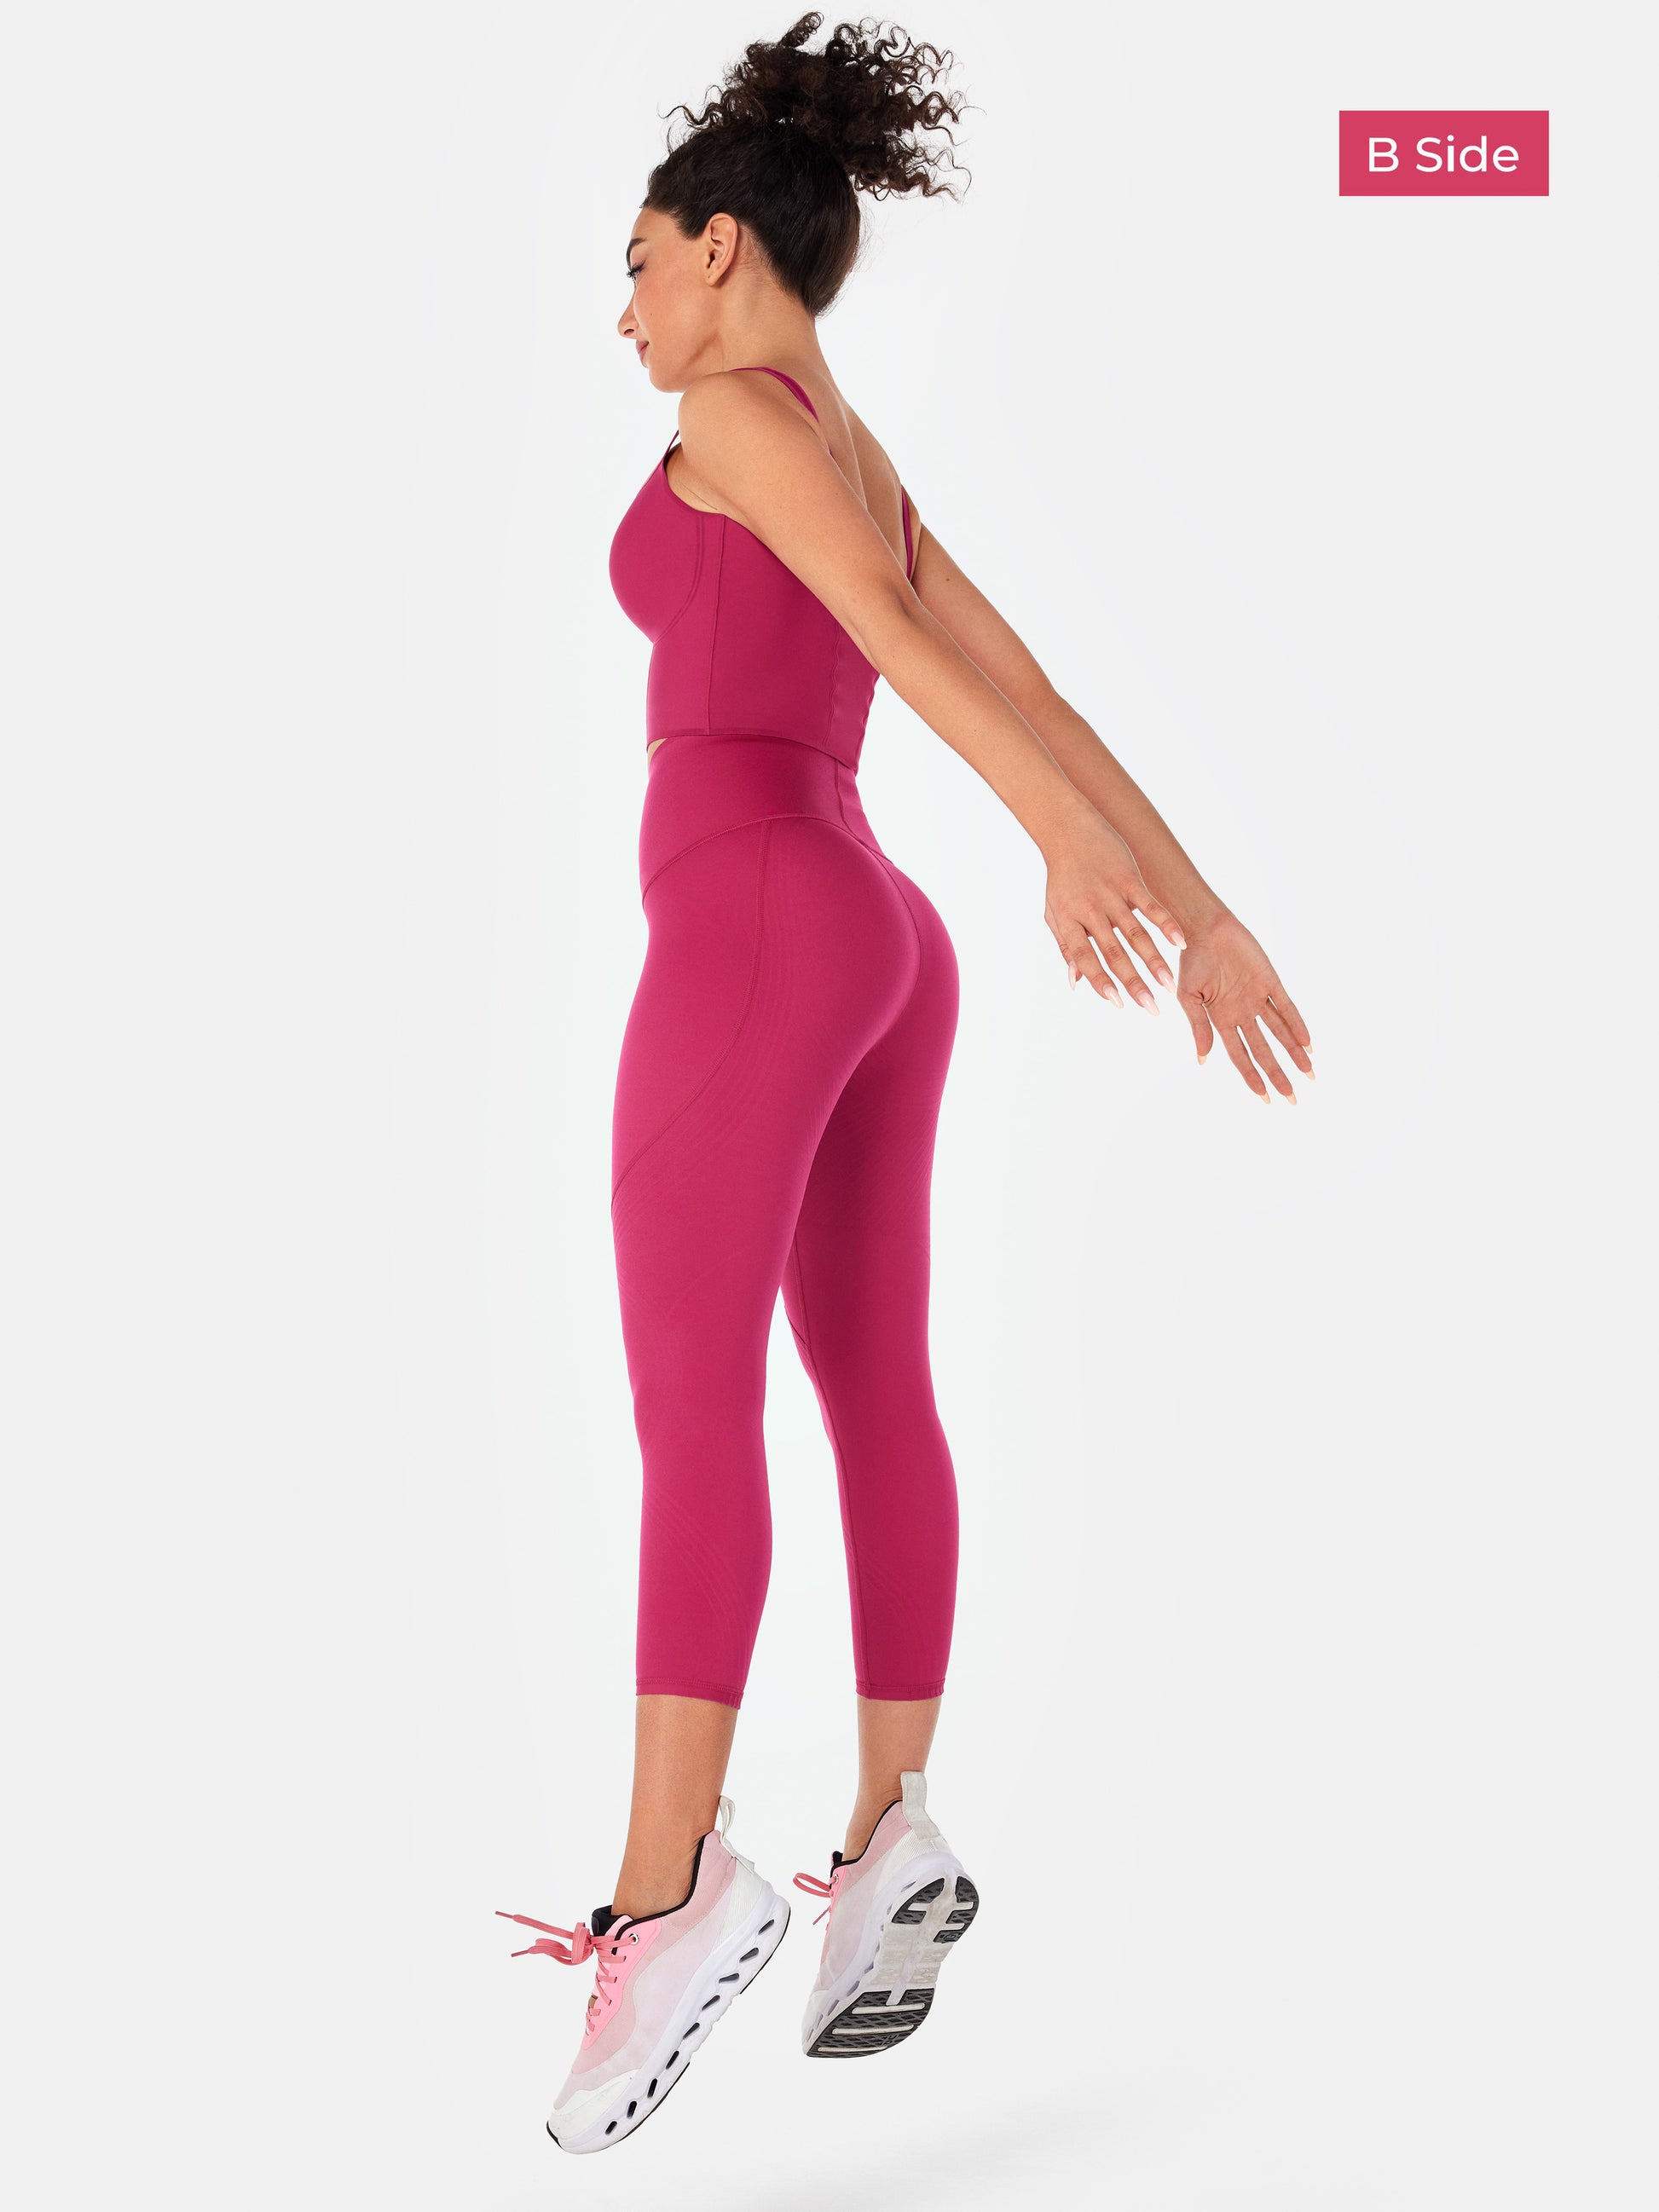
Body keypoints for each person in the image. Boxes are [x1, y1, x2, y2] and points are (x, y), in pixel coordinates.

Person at [496, 12, 1313, 2154]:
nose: (626, 308)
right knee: (869, 1382)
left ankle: (666, 1898)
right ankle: (890, 1834)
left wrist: (1067, 846)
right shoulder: (851, 445)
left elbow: (888, 628)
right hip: (878, 933)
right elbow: (1017, 676)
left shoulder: (740, 418)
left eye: (641, 261)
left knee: (693, 1397)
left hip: (757, 918)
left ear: (727, 250)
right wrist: (1194, 904)